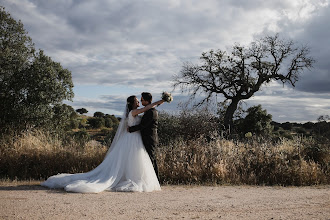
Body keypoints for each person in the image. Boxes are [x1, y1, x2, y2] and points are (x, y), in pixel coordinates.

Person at [41, 95, 164, 193]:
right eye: (137, 100)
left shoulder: (133, 112)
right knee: (132, 159)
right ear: (132, 103)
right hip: (132, 139)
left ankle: (129, 176)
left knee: (132, 159)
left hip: (134, 138)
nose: (139, 102)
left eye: (140, 100)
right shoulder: (134, 112)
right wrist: (161, 101)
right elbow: (146, 108)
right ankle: (130, 177)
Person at [128, 92, 160, 180]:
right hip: (143, 138)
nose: (140, 102)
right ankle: (152, 179)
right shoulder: (147, 111)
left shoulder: (151, 112)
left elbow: (143, 125)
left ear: (146, 101)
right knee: (147, 159)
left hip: (150, 138)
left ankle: (156, 180)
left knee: (151, 159)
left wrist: (130, 129)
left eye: (141, 100)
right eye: (139, 100)